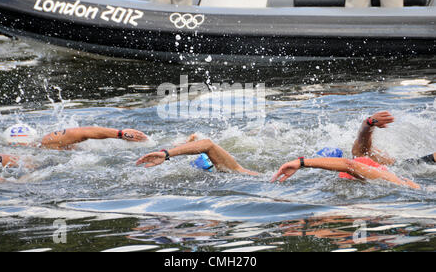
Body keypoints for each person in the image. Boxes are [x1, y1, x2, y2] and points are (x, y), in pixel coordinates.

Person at [138, 111, 434, 190]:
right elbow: (355, 159)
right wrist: (368, 124)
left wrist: (167, 154)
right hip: (318, 171)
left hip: (315, 171)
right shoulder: (246, 175)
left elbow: (354, 161)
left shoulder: (247, 176)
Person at [272, 111, 435, 189]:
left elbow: (351, 164)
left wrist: (301, 162)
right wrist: (368, 124)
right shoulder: (398, 173)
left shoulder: (394, 180)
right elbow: (357, 158)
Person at [0, 124, 148, 183]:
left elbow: (86, 131)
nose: (22, 146)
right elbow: (87, 131)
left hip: (65, 168)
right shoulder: (45, 144)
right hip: (67, 169)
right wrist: (120, 133)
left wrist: (120, 133)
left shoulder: (47, 141)